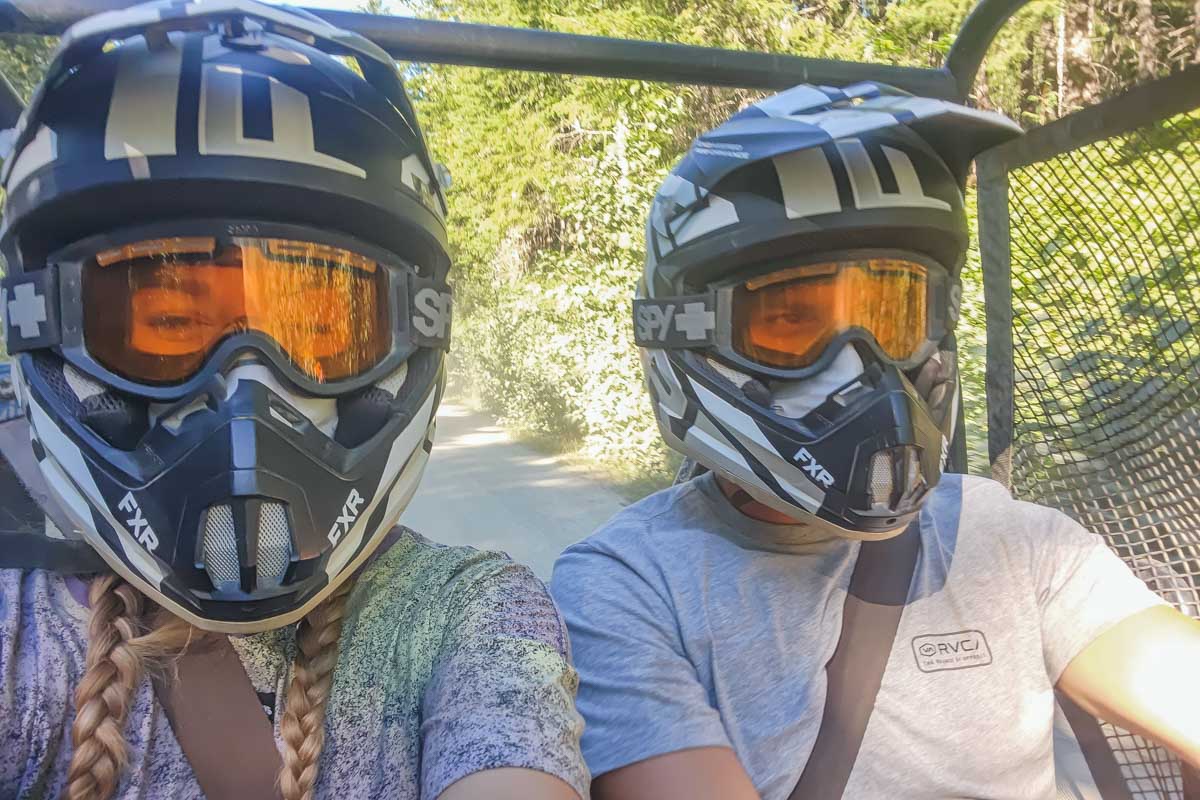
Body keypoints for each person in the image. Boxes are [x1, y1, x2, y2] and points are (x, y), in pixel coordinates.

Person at [0, 3, 587, 799]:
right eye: (171, 324)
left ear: (409, 338)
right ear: (53, 331)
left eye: (317, 327)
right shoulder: (17, 629)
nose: (249, 389)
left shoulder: (470, 615)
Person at [551, 83, 1200, 799]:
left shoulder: (1008, 537)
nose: (860, 367)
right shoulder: (626, 586)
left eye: (890, 315)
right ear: (688, 335)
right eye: (791, 322)